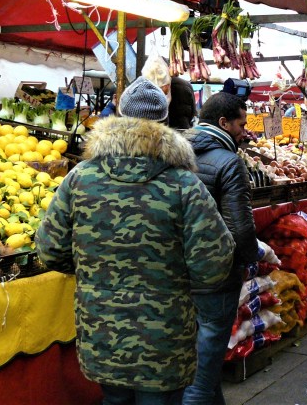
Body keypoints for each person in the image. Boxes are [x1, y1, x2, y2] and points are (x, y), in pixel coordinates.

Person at [36, 77, 235, 405]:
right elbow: (213, 265)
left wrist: (93, 268)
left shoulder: (80, 178)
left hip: (102, 333)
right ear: (165, 123)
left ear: (118, 116)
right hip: (165, 339)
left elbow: (49, 249)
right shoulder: (184, 185)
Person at [182, 92, 258, 405]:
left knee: (200, 364)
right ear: (223, 123)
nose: (245, 130)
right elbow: (240, 227)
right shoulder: (229, 162)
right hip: (216, 275)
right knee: (202, 372)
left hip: (178, 270)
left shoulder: (174, 155)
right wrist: (251, 259)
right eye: (241, 123)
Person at [141, 55, 197, 129]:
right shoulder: (184, 84)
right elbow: (193, 111)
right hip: (182, 127)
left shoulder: (147, 85)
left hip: (160, 129)